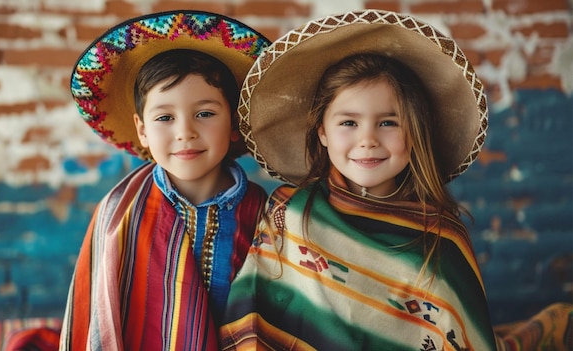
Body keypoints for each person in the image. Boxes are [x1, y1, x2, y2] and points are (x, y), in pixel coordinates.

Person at [219, 10, 572, 351]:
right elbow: (255, 320)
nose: (368, 140)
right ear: (321, 131)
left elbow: (456, 333)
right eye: (349, 123)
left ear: (414, 133)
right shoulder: (290, 214)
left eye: (388, 122)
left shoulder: (439, 236)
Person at [5, 11, 271, 351]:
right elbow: (101, 315)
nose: (185, 132)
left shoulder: (264, 213)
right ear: (142, 131)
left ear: (234, 124)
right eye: (164, 117)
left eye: (205, 113)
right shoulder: (118, 214)